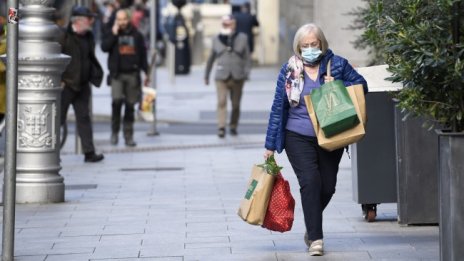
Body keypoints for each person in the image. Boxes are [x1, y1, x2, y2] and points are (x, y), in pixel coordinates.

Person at [263, 23, 368, 256]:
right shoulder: (289, 69)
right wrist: (269, 145)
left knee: (327, 186)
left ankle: (311, 222)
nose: (310, 48)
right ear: (298, 47)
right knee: (310, 181)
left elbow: (363, 85)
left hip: (332, 133)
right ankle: (316, 239)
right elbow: (278, 108)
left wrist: (340, 85)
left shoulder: (337, 64)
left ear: (322, 43)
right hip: (296, 135)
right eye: (305, 45)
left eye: (314, 44)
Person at [59, 6, 104, 163]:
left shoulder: (89, 36)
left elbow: (90, 57)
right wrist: (59, 80)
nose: (91, 21)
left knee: (84, 118)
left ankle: (89, 152)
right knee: (58, 119)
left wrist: (94, 74)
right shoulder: (64, 35)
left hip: (83, 84)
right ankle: (51, 152)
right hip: (66, 85)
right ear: (78, 21)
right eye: (88, 18)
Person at [101, 9, 149, 147]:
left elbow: (143, 55)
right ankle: (114, 132)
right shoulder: (112, 33)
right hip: (117, 74)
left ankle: (128, 135)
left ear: (128, 19)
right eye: (119, 19)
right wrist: (113, 34)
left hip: (132, 74)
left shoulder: (137, 35)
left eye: (124, 19)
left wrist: (146, 72)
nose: (121, 22)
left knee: (130, 106)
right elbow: (104, 47)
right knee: (116, 102)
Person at [204, 15, 251, 138]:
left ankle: (233, 126)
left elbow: (247, 57)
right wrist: (206, 75)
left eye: (228, 24)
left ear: (233, 24)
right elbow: (210, 58)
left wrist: (246, 72)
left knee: (235, 104)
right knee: (221, 101)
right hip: (221, 76)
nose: (226, 26)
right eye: (224, 24)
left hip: (237, 76)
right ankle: (221, 127)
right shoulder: (216, 39)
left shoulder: (242, 38)